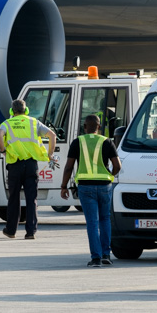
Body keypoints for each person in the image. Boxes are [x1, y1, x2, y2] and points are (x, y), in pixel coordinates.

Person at [61, 114, 122, 267]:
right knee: (105, 220)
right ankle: (106, 255)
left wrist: (63, 186)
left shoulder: (78, 142)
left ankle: (95, 258)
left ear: (85, 127)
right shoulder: (107, 141)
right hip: (104, 186)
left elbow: (69, 167)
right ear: (99, 127)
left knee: (92, 223)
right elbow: (118, 165)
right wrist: (110, 175)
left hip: (85, 187)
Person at [0, 98, 57, 240]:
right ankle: (30, 232)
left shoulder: (7, 123)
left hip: (15, 165)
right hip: (30, 165)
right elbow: (52, 135)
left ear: (12, 111)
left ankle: (11, 230)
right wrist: (50, 154)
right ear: (26, 110)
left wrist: (3, 149)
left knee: (14, 198)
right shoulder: (34, 122)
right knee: (31, 198)